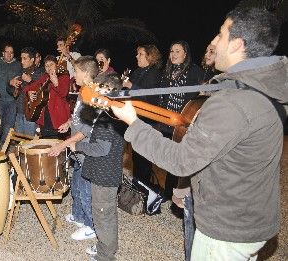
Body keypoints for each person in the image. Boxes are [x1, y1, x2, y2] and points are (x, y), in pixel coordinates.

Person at [110, 7, 285, 260]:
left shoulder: (232, 101)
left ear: (237, 44)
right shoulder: (266, 86)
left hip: (227, 229)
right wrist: (190, 188)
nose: (213, 41)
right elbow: (230, 156)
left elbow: (181, 160)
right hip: (250, 217)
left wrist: (134, 124)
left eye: (221, 34)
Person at [71, 72, 126, 261]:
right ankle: (106, 248)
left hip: (105, 174)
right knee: (107, 214)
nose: (95, 90)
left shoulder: (108, 117)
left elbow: (101, 149)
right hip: (106, 172)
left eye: (99, 88)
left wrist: (78, 146)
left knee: (103, 216)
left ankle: (105, 255)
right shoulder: (111, 111)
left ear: (109, 91)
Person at [49, 55, 100, 241]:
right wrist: (68, 122)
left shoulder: (94, 95)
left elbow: (87, 130)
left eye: (76, 71)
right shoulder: (82, 92)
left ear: (86, 73)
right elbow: (79, 117)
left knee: (86, 190)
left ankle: (92, 226)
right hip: (77, 151)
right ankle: (79, 216)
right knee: (77, 185)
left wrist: (63, 144)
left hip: (86, 150)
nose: (73, 75)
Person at [157, 40, 204, 202]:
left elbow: (200, 99)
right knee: (169, 159)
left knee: (179, 160)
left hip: (183, 125)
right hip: (166, 123)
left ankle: (178, 196)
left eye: (177, 51)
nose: (174, 54)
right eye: (171, 51)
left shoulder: (194, 71)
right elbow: (162, 97)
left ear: (185, 54)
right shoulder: (167, 71)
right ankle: (168, 192)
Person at [122, 44, 163, 186]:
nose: (136, 56)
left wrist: (131, 86)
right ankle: (138, 190)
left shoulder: (154, 73)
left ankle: (147, 192)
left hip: (147, 123)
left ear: (149, 56)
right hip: (136, 120)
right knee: (136, 158)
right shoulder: (138, 71)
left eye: (140, 54)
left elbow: (151, 97)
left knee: (144, 160)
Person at [23, 55, 70, 138]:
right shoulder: (44, 77)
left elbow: (64, 93)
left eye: (51, 64)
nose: (49, 67)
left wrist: (56, 83)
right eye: (46, 66)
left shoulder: (64, 76)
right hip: (44, 117)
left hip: (58, 117)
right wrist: (29, 93)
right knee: (46, 141)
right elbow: (28, 88)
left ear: (57, 65)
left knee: (59, 143)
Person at [9, 46, 44, 136]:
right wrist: (11, 83)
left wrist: (30, 81)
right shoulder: (20, 72)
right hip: (19, 111)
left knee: (29, 142)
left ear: (32, 59)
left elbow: (41, 92)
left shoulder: (40, 73)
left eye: (25, 59)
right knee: (19, 140)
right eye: (21, 58)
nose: (22, 61)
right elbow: (12, 93)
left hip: (31, 114)